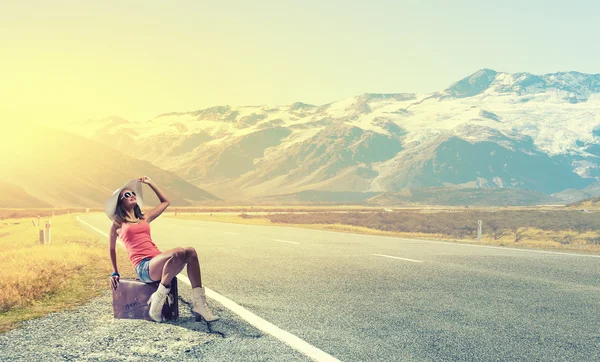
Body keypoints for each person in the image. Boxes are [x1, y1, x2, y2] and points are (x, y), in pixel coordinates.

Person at [105, 176, 219, 323]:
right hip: (144, 267)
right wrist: (115, 271)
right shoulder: (117, 224)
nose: (132, 195)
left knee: (190, 252)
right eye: (127, 195)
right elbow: (111, 249)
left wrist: (151, 183)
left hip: (160, 262)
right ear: (120, 201)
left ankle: (199, 305)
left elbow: (165, 202)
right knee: (178, 252)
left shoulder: (144, 217)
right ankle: (157, 301)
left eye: (132, 193)